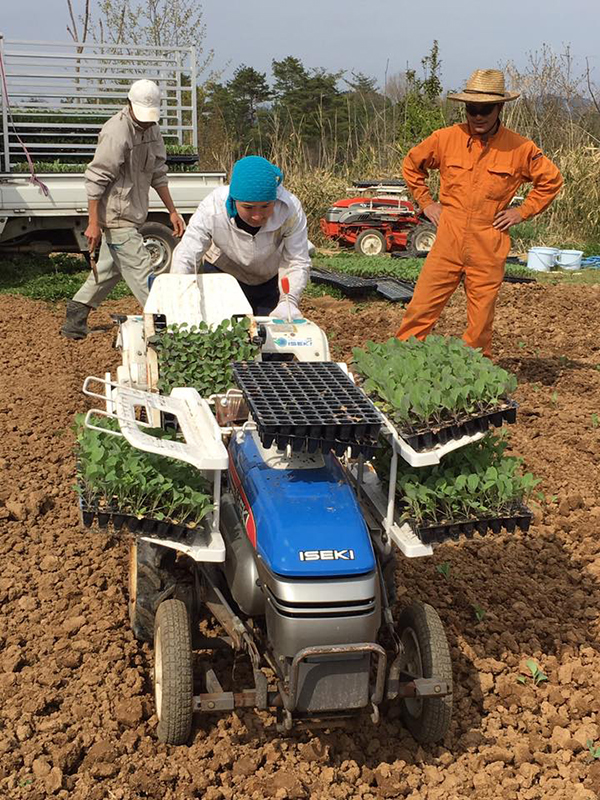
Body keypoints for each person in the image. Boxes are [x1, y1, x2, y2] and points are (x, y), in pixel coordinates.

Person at [396, 68, 563, 358]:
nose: (478, 116)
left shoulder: (520, 148)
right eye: (472, 109)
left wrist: (522, 211)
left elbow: (551, 181)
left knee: (481, 319)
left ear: (499, 108)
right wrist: (427, 203)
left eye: (485, 109)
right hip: (449, 236)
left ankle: (473, 374)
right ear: (465, 108)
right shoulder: (445, 139)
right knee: (420, 308)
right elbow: (412, 165)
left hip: (490, 240)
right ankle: (400, 364)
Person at [61, 79, 185, 340]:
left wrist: (172, 211)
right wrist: (93, 223)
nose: (146, 122)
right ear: (129, 104)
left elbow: (158, 174)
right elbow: (96, 179)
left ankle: (76, 314)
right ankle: (163, 331)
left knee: (109, 270)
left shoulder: (152, 130)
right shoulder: (116, 132)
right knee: (143, 272)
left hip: (133, 214)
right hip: (118, 218)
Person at [170, 155, 310, 318]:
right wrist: (177, 295)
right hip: (223, 273)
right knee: (222, 328)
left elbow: (297, 259)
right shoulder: (212, 207)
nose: (257, 216)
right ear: (234, 200)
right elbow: (187, 253)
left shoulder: (290, 209)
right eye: (248, 207)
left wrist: (289, 300)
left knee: (267, 333)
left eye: (265, 206)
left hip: (268, 277)